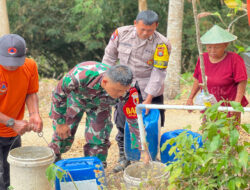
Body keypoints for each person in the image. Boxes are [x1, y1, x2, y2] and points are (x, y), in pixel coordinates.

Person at [102, 10, 171, 172]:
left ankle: (152, 155)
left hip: (150, 86)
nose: (146, 33)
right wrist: (107, 83)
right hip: (124, 85)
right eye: (142, 29)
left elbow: (159, 71)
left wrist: (148, 98)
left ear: (156, 26)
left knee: (153, 122)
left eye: (150, 30)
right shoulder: (121, 34)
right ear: (135, 23)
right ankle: (124, 155)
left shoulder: (163, 43)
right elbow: (109, 58)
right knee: (122, 121)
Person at [48, 62, 141, 168]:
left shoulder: (128, 91)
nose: (121, 94)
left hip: (100, 106)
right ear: (105, 82)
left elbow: (134, 119)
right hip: (75, 100)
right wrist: (60, 122)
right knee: (63, 135)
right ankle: (52, 162)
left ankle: (94, 170)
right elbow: (58, 95)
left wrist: (140, 148)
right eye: (118, 90)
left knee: (98, 141)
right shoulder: (79, 75)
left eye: (124, 91)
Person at [0, 34, 43, 190]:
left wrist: (34, 114)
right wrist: (11, 122)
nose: (11, 66)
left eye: (15, 62)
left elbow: (31, 92)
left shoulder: (30, 66)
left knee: (12, 175)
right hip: (10, 125)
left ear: (24, 53)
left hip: (13, 133)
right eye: (6, 61)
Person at [186, 25, 248, 121]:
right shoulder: (203, 58)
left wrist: (237, 103)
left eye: (217, 47)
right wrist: (190, 98)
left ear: (225, 44)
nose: (212, 51)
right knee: (209, 131)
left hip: (229, 106)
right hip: (208, 106)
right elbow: (198, 79)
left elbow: (242, 81)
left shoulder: (234, 59)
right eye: (209, 47)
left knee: (228, 133)